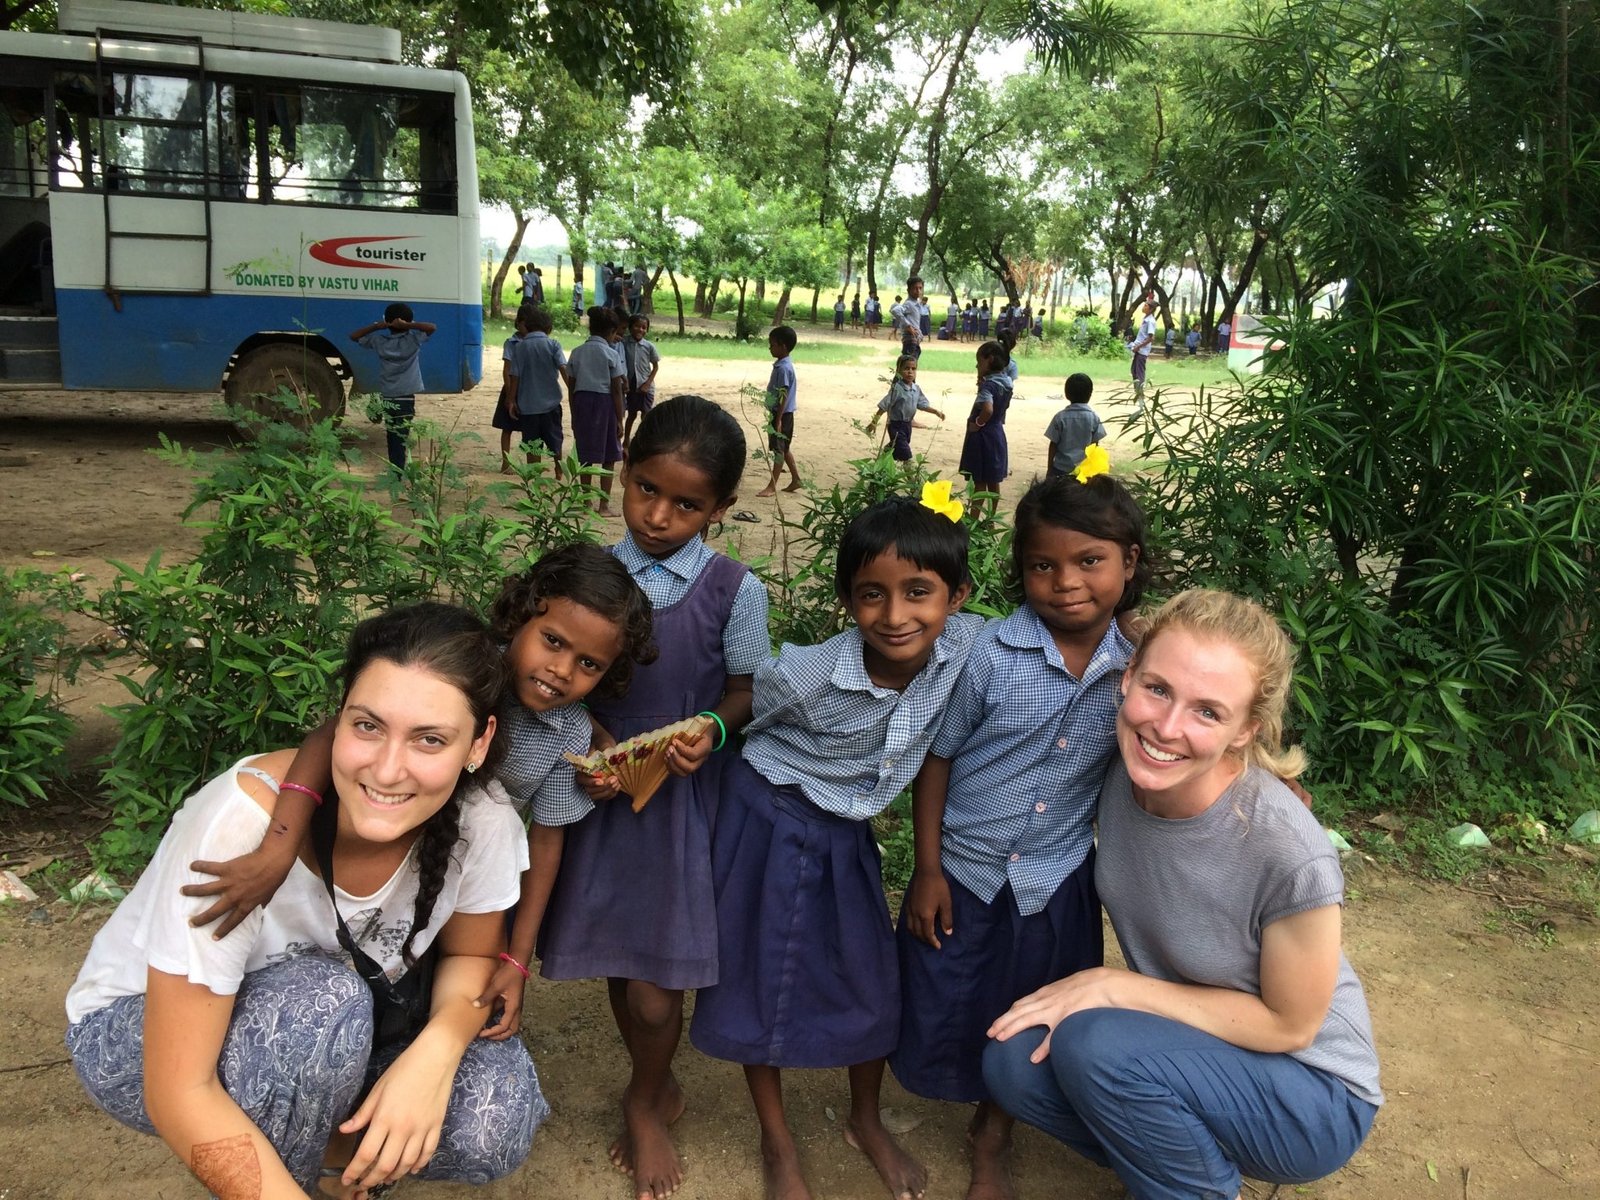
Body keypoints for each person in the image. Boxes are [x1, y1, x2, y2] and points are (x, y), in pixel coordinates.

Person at [66, 603, 545, 1199]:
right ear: (338, 720)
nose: (388, 770)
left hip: (347, 1030)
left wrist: (434, 1055)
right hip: (148, 1041)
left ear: (479, 743)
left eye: (430, 739)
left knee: (494, 1114)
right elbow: (179, 1089)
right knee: (320, 1005)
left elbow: (473, 959)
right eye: (368, 727)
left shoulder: (485, 818)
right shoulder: (240, 827)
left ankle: (329, 1164)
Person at [983, 589, 1383, 1200]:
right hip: (1206, 1046)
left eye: (1208, 712)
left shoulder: (1285, 848)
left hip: (1315, 1093)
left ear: (1246, 729)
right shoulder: (1118, 772)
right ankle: (1184, 1167)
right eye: (1159, 689)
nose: (1166, 728)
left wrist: (1118, 985)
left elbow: (1291, 1026)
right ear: (1128, 678)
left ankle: (1191, 1186)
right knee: (1015, 1061)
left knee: (1097, 1044)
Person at [691, 494, 982, 1200]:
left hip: (844, 833)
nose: (895, 615)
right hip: (768, 818)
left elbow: (1050, 628)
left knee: (870, 977)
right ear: (849, 600)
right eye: (871, 595)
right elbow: (747, 720)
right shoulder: (807, 674)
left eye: (919, 593)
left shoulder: (969, 646)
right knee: (757, 979)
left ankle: (865, 1119)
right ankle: (777, 1140)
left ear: (958, 598)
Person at [892, 470, 1149, 1200]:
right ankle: (946, 1091)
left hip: (1056, 878)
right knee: (949, 993)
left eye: (1089, 561)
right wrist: (928, 869)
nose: (1066, 582)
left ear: (1128, 562)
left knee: (1032, 1008)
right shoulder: (988, 654)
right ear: (1021, 572)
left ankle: (992, 1134)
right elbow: (938, 757)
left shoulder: (1139, 669)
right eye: (1043, 565)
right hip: (967, 874)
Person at [538, 395, 770, 1200]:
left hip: (679, 805)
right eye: (645, 490)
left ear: (721, 509)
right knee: (615, 955)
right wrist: (593, 743)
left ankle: (644, 1096)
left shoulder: (735, 590)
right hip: (601, 796)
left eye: (686, 504)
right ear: (623, 475)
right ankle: (653, 1081)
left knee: (655, 980)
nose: (659, 516)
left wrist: (712, 724)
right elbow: (561, 678)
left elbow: (747, 690)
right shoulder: (593, 577)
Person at [473, 546, 659, 1040]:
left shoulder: (570, 734)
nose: (562, 669)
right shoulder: (462, 674)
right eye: (552, 640)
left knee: (461, 1001)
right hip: (392, 858)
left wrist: (517, 957)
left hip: (472, 891)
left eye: (589, 664)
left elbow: (546, 839)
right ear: (521, 615)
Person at [350, 302, 436, 471]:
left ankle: (395, 468)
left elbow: (354, 336)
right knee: (402, 436)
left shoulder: (379, 340)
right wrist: (409, 325)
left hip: (388, 396)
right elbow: (432, 327)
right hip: (406, 396)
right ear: (407, 322)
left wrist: (376, 326)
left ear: (386, 321)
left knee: (392, 435)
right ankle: (399, 470)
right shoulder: (413, 339)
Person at [567, 306, 627, 514]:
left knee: (585, 454)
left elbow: (571, 386)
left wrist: (574, 413)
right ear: (611, 332)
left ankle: (585, 504)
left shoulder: (576, 353)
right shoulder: (610, 354)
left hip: (582, 402)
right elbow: (617, 389)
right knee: (609, 455)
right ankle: (604, 505)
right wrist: (620, 419)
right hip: (605, 405)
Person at [503, 304, 572, 478]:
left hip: (528, 406)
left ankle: (534, 475)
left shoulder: (519, 347)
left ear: (528, 326)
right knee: (555, 439)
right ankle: (558, 469)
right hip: (551, 405)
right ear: (548, 328)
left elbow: (515, 376)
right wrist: (574, 391)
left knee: (531, 444)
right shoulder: (553, 344)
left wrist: (511, 400)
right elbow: (564, 370)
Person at [959, 340, 1013, 518]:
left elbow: (988, 409)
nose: (977, 365)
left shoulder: (988, 386)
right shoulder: (1006, 382)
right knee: (993, 479)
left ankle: (973, 518)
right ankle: (991, 517)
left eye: (979, 361)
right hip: (997, 433)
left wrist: (978, 424)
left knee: (980, 480)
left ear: (989, 360)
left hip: (983, 436)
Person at [867, 353, 945, 464]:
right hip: (896, 425)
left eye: (913, 369)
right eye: (906, 368)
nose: (910, 372)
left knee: (897, 446)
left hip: (907, 425)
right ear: (898, 370)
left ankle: (882, 460)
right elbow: (884, 406)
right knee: (905, 453)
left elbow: (921, 404)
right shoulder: (897, 389)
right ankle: (912, 478)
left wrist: (936, 411)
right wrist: (874, 422)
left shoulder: (916, 388)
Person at [756, 325, 802, 497]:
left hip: (782, 414)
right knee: (785, 447)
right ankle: (796, 478)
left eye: (772, 344)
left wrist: (778, 419)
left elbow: (783, 394)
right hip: (783, 414)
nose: (770, 348)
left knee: (779, 450)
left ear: (783, 346)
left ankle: (772, 486)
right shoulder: (783, 364)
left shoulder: (783, 368)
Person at [1044, 372, 1108, 480]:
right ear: (1090, 394)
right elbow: (1095, 445)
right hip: (1084, 470)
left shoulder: (1060, 417)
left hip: (1061, 469)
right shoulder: (1094, 418)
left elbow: (1053, 444)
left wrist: (1050, 468)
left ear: (1066, 394)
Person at [492, 303, 531, 473]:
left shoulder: (534, 342)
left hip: (529, 390)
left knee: (529, 429)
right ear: (519, 323)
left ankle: (531, 464)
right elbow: (507, 369)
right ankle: (505, 462)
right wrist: (510, 395)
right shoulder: (511, 343)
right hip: (511, 388)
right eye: (525, 324)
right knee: (507, 426)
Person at [621, 314, 662, 452]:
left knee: (646, 414)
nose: (640, 329)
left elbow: (655, 366)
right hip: (631, 385)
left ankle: (644, 441)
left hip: (645, 386)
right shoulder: (624, 343)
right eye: (637, 326)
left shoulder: (649, 346)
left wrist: (647, 383)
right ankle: (626, 440)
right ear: (630, 327)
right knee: (631, 414)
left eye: (644, 327)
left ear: (647, 330)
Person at [1128, 298, 1157, 410]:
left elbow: (1151, 338)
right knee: (1134, 371)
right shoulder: (1145, 319)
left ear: (1150, 309)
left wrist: (1138, 347)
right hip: (1138, 350)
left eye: (1145, 306)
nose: (1143, 307)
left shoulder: (1150, 321)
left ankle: (1141, 400)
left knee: (1139, 374)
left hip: (1142, 351)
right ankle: (1138, 395)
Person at [893, 277, 925, 361]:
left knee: (911, 365)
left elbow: (915, 323)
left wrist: (919, 335)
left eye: (920, 288)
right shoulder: (909, 304)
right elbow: (895, 310)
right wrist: (908, 325)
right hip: (910, 340)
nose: (918, 291)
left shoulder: (916, 304)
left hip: (914, 339)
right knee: (909, 365)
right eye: (915, 288)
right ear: (909, 290)